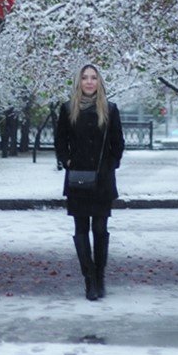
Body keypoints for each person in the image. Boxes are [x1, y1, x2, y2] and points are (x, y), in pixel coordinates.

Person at [55, 63, 125, 301]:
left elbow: (118, 144)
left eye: (93, 78)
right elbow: (60, 141)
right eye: (84, 77)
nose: (89, 82)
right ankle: (89, 280)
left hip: (102, 181)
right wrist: (68, 161)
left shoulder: (110, 109)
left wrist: (110, 165)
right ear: (79, 82)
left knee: (100, 229)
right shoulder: (67, 109)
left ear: (99, 82)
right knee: (81, 229)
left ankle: (100, 276)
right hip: (78, 180)